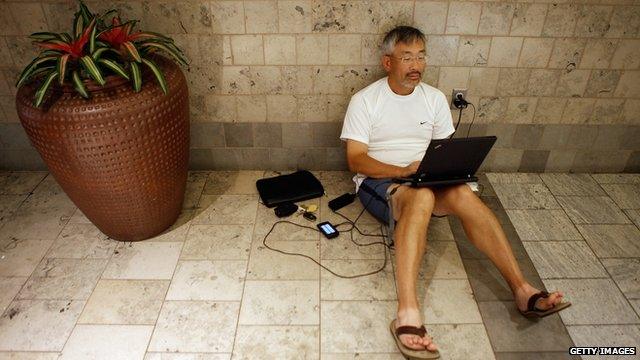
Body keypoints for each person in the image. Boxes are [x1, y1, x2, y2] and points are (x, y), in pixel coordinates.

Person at [339, 26, 571, 359]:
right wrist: (405, 171)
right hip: (382, 181)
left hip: (427, 177)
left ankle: (522, 289)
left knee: (463, 194)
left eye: (421, 56)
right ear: (387, 62)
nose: (416, 64)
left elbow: (444, 149)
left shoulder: (433, 98)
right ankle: (407, 313)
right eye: (407, 57)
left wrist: (444, 172)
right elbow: (356, 159)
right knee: (420, 197)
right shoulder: (365, 100)